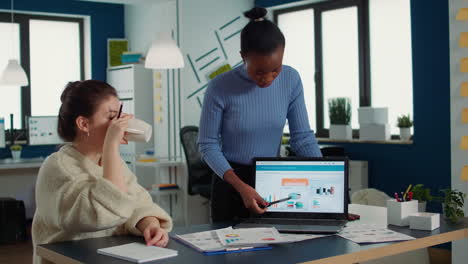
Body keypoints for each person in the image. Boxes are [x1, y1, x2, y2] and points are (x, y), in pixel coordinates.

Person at [198, 7, 322, 222]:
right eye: (259, 72)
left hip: (272, 180)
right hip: (231, 182)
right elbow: (207, 145)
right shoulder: (220, 87)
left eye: (276, 69)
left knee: (277, 250)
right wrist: (240, 186)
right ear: (243, 57)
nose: (269, 78)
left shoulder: (291, 80)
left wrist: (325, 181)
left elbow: (302, 138)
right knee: (230, 254)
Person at [32, 80, 172, 264]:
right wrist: (112, 145)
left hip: (107, 256)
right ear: (83, 124)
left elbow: (137, 203)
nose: (119, 124)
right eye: (111, 116)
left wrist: (150, 224)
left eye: (119, 116)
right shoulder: (57, 167)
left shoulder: (112, 162)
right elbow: (103, 213)